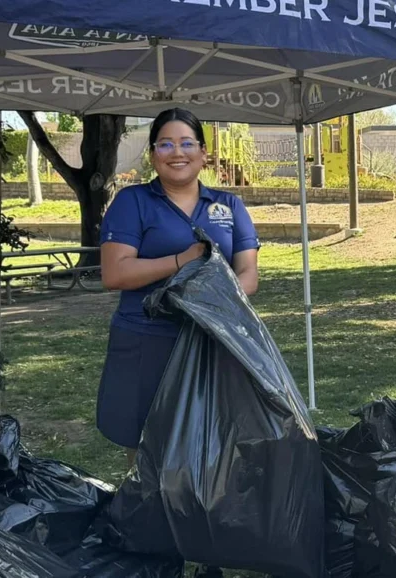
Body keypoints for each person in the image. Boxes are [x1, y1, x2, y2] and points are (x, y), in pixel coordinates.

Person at [97, 108, 261, 471]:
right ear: (153, 154)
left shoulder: (228, 206)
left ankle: (201, 519)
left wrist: (210, 303)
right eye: (166, 144)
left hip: (213, 341)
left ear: (203, 153)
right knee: (147, 445)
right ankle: (151, 517)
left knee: (214, 441)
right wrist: (180, 261)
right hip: (147, 341)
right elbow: (115, 273)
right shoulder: (132, 202)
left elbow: (248, 273)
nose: (177, 152)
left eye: (187, 143)